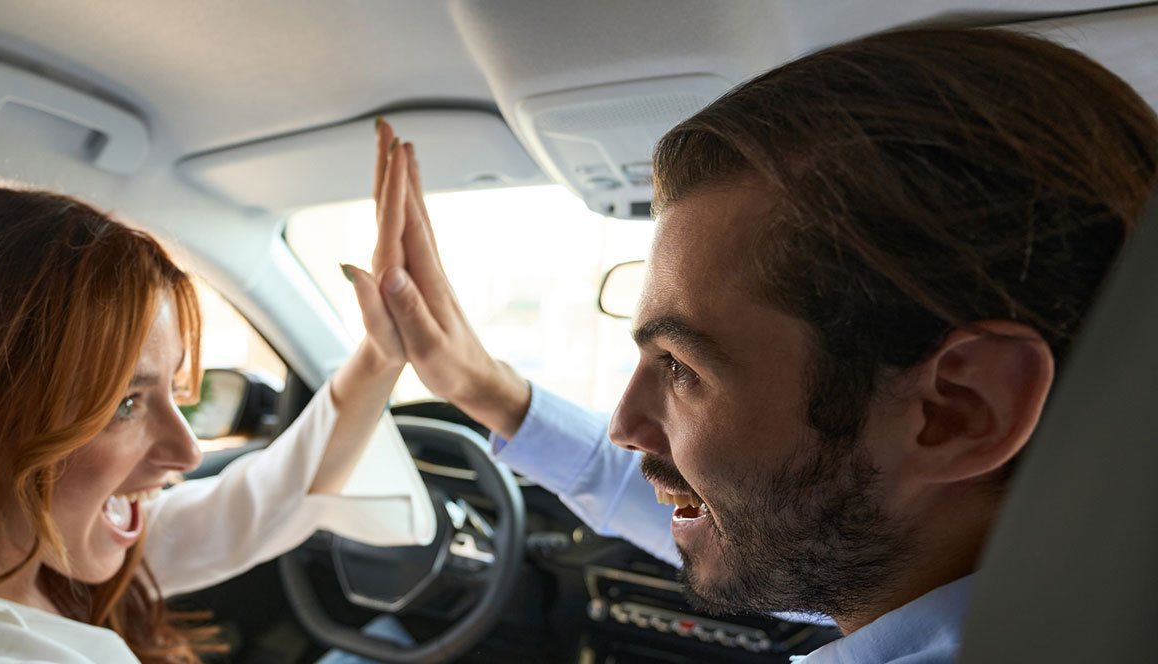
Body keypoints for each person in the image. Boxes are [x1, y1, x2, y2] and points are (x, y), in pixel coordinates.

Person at [367, 27, 1158, 662]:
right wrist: (487, 391)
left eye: (681, 368)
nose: (626, 425)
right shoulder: (1054, 594)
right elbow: (770, 501)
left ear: (958, 410)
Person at [0, 178, 432, 663]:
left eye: (178, 392)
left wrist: (380, 357)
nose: (185, 453)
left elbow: (258, 505)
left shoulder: (16, 558)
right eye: (124, 404)